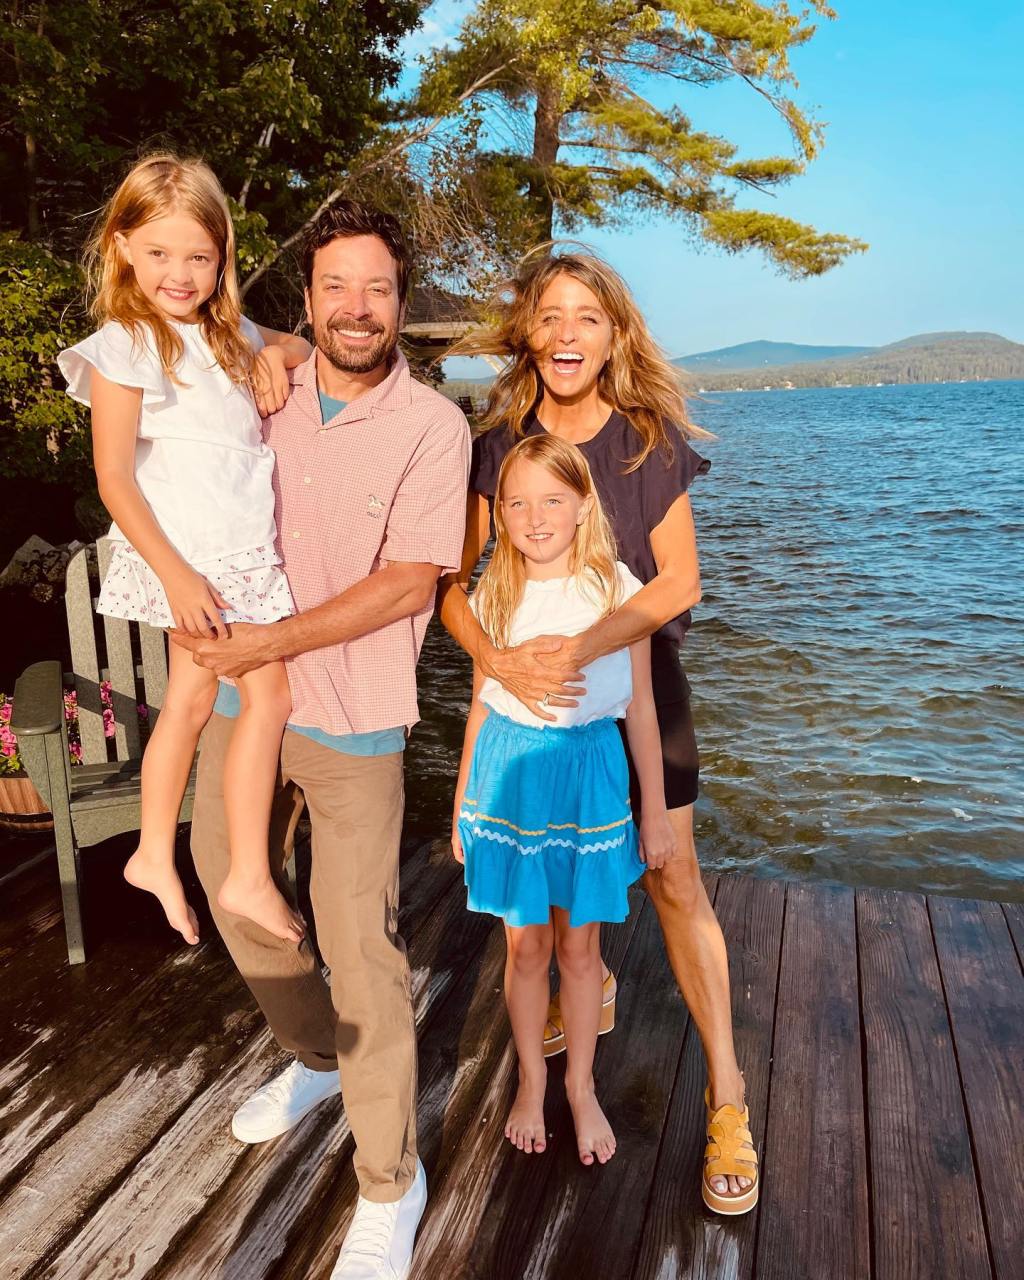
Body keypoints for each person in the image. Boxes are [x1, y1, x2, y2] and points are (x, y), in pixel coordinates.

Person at [172, 199, 470, 1279]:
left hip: (351, 713)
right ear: (304, 296)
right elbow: (166, 334)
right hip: (247, 705)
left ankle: (391, 1178)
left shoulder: (436, 428)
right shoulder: (260, 380)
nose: (357, 308)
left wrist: (277, 638)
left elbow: (406, 582)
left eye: (377, 288)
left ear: (401, 302)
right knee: (231, 886)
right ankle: (313, 1057)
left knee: (361, 944)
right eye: (335, 286)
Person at [439, 249, 758, 1214]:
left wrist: (580, 643)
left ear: (615, 333)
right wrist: (497, 662)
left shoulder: (648, 440)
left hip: (638, 687)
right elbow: (456, 588)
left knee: (673, 877)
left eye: (588, 317)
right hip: (534, 713)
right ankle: (582, 1009)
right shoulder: (496, 444)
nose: (568, 334)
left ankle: (730, 1098)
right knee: (549, 899)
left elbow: (677, 585)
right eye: (550, 316)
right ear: (527, 332)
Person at [58, 153, 311, 947]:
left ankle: (154, 855)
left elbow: (301, 345)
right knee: (268, 698)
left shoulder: (229, 330)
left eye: (200, 256)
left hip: (236, 551)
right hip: (196, 562)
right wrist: (177, 576)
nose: (181, 272)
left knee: (192, 704)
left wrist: (273, 354)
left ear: (222, 257)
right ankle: (243, 872)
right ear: (123, 244)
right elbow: (112, 479)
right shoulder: (126, 343)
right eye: (161, 252)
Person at [452, 434, 675, 1167]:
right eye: (516, 502)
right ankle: (531, 1076)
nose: (535, 516)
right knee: (527, 946)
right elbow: (481, 705)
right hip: (510, 778)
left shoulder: (617, 587)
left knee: (581, 948)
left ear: (584, 505)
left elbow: (640, 707)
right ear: (501, 513)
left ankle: (580, 1086)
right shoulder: (496, 588)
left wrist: (654, 811)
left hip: (590, 778)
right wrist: (461, 804)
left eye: (552, 499)